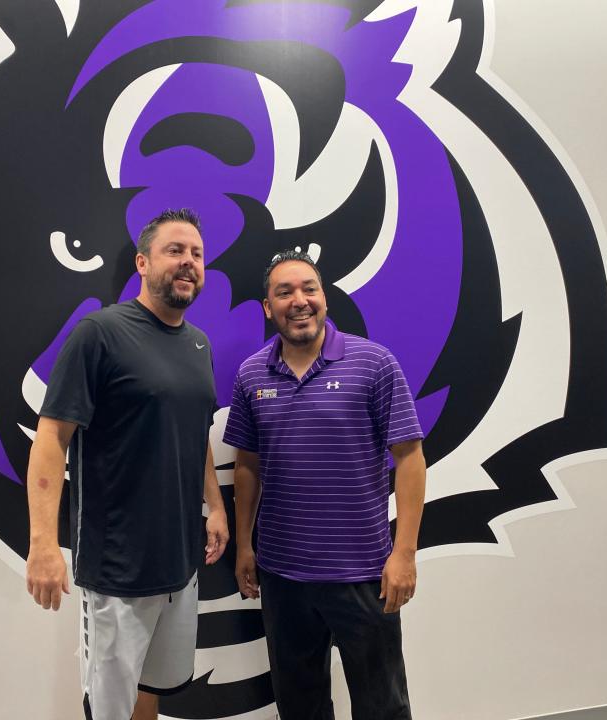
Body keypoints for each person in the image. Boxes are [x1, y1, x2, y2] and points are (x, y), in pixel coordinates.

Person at [25, 208, 230, 720]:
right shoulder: (99, 334)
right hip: (116, 567)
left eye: (197, 255)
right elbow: (50, 437)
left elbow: (196, 432)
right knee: (109, 708)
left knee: (151, 689)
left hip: (179, 563)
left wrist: (216, 506)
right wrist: (43, 544)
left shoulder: (199, 344)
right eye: (175, 251)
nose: (188, 263)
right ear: (142, 262)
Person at [223, 250, 426, 720]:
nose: (300, 300)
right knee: (300, 707)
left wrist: (405, 553)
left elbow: (410, 458)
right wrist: (245, 548)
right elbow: (247, 465)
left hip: (363, 574)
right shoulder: (252, 374)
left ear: (324, 299)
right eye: (285, 292)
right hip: (282, 576)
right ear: (267, 308)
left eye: (309, 288)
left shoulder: (373, 364)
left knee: (383, 706)